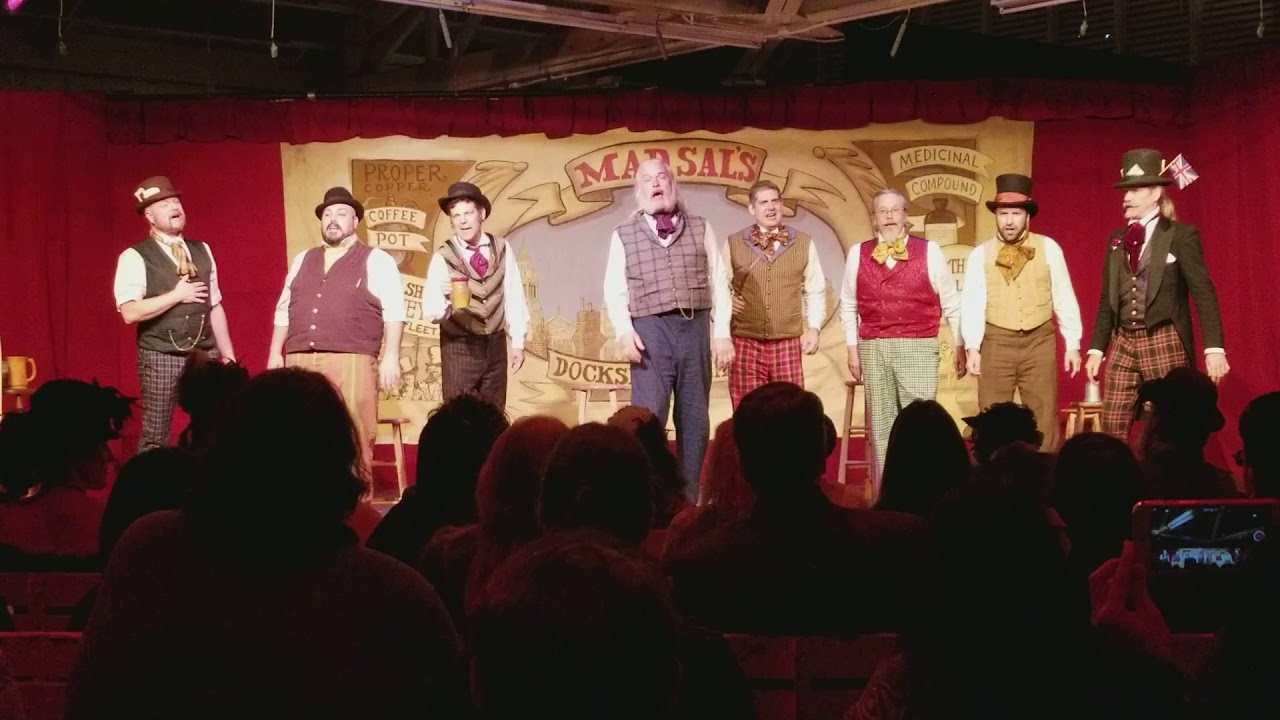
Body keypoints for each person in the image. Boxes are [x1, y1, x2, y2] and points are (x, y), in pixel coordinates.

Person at [603, 159, 733, 498]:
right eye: (647, 179)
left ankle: (688, 498)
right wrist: (623, 330)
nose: (656, 183)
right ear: (639, 190)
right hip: (649, 331)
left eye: (662, 176)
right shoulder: (624, 234)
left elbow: (719, 281)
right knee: (648, 418)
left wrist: (722, 333)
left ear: (672, 183)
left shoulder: (701, 227)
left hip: (695, 327)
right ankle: (649, 498)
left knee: (694, 417)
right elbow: (614, 288)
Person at [1086, 148, 1228, 439]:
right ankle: (1116, 480)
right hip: (1123, 340)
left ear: (1155, 194)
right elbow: (1106, 299)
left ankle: (1167, 482)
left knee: (1170, 427)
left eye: (1135, 190)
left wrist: (1214, 348)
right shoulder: (1116, 240)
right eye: (1125, 190)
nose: (1126, 198)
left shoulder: (1180, 235)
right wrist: (1097, 349)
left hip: (1163, 338)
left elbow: (1203, 291)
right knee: (1112, 423)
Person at [267, 186, 404, 475]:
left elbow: (394, 310)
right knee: (300, 434)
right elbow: (284, 308)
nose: (333, 219)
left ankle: (357, 510)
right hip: (300, 359)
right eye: (327, 214)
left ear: (355, 222)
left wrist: (391, 356)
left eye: (341, 213)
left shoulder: (377, 259)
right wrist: (274, 354)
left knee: (353, 432)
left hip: (352, 359)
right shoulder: (303, 259)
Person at [838, 188, 964, 486]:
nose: (890, 216)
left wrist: (960, 344)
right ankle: (887, 495)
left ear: (906, 217)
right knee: (881, 427)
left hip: (918, 345)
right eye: (884, 211)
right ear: (875, 219)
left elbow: (952, 303)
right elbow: (848, 305)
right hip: (874, 346)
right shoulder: (859, 253)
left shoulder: (929, 251)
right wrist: (852, 350)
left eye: (896, 210)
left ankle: (923, 494)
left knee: (920, 425)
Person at [113, 176, 236, 452]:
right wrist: (176, 296)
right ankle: (153, 493)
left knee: (215, 429)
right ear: (149, 215)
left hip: (205, 354)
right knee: (156, 435)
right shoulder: (135, 256)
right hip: (161, 354)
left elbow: (214, 304)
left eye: (176, 201)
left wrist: (228, 355)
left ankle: (208, 489)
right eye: (165, 203)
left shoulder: (202, 249)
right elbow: (129, 312)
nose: (174, 207)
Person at [961, 173, 1083, 450]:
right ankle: (993, 483)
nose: (1009, 220)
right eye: (1004, 213)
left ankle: (1045, 482)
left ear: (1027, 215)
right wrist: (972, 347)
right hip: (996, 343)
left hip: (1039, 341)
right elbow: (972, 302)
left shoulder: (1049, 248)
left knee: (1043, 418)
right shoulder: (980, 254)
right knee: (991, 421)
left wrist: (1072, 343)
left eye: (1016, 213)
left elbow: (1063, 296)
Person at [422, 182, 529, 409]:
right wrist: (445, 300)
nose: (462, 221)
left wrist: (518, 342)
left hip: (495, 345)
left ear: (481, 214)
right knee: (459, 418)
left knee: (494, 414)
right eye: (456, 215)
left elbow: (514, 295)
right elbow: (431, 311)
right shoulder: (443, 256)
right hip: (459, 346)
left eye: (468, 214)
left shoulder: (501, 248)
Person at [725, 179, 826, 409]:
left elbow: (815, 288)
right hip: (745, 341)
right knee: (747, 411)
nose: (770, 207)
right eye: (763, 203)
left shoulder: (803, 242)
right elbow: (718, 285)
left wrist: (814, 328)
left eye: (775, 201)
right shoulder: (733, 243)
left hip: (787, 342)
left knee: (791, 411)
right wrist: (726, 301)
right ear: (752, 209)